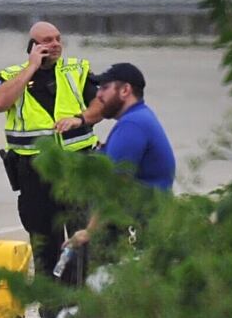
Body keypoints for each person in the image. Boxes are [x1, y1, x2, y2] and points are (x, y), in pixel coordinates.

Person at [0, 21, 104, 282]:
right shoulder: (12, 75)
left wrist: (80, 119)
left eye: (58, 39)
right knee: (43, 239)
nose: (55, 45)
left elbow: (101, 105)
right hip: (34, 171)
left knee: (81, 236)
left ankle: (79, 299)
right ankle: (50, 301)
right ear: (33, 46)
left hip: (77, 165)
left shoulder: (76, 70)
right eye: (47, 40)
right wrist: (31, 68)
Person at [63, 62, 176, 248]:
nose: (98, 95)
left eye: (105, 88)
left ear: (125, 90)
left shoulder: (132, 125)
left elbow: (115, 186)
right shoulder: (140, 117)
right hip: (149, 219)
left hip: (138, 226)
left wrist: (90, 231)